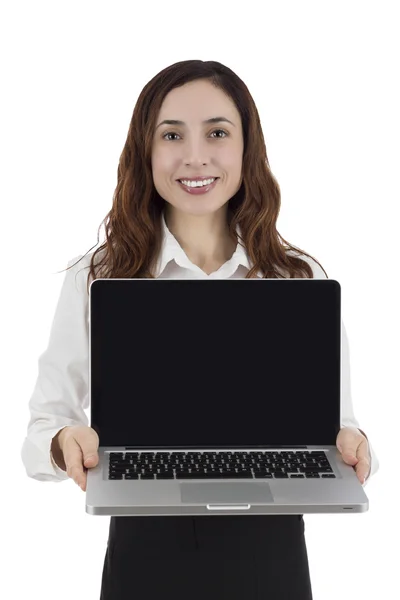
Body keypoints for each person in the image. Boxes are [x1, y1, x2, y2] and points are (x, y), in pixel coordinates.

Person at [21, 60, 379, 600]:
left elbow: (339, 424)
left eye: (217, 132)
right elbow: (41, 433)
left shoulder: (295, 279)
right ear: (146, 149)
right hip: (144, 553)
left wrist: (351, 442)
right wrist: (64, 442)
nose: (195, 156)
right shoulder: (100, 277)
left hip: (273, 557)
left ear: (245, 148)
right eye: (172, 135)